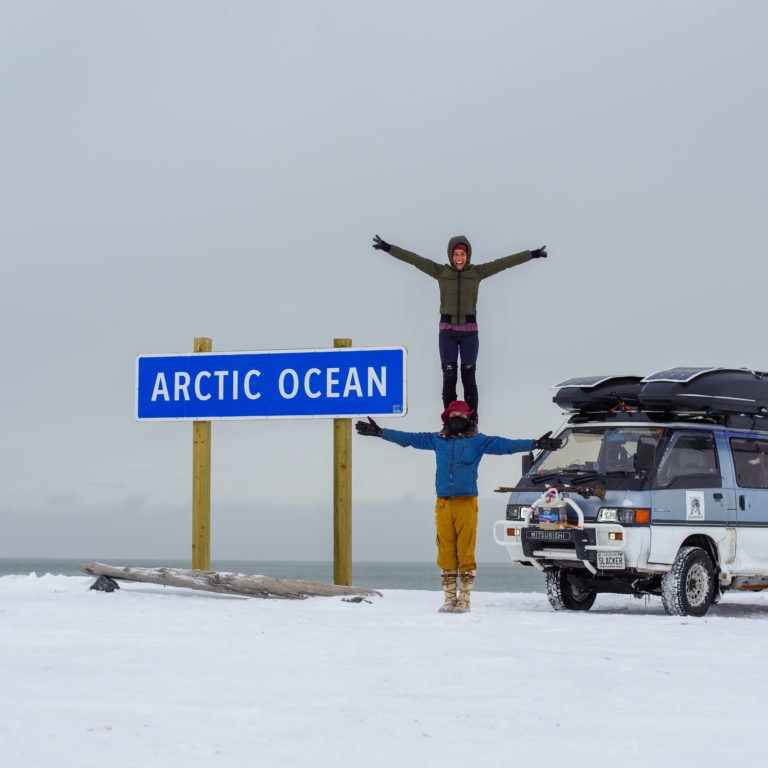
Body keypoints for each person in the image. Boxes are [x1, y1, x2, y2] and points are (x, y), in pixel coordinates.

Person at [355, 400, 562, 613]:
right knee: (445, 550)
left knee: (465, 549)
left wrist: (536, 444)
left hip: (466, 502)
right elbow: (409, 439)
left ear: (468, 419)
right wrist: (380, 432)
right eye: (454, 415)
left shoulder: (477, 441)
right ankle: (448, 598)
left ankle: (464, 599)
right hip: (443, 503)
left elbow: (505, 445)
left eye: (462, 416)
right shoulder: (437, 440)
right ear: (447, 418)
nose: (458, 419)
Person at [372, 234, 547, 431]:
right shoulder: (440, 271)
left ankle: (472, 422)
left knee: (468, 377)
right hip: (446, 333)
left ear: (468, 255)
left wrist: (532, 254)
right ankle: (448, 422)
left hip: (469, 334)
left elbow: (505, 263)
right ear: (450, 255)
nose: (459, 257)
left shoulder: (478, 272)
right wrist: (388, 248)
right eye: (455, 254)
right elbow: (414, 260)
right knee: (449, 377)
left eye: (462, 254)